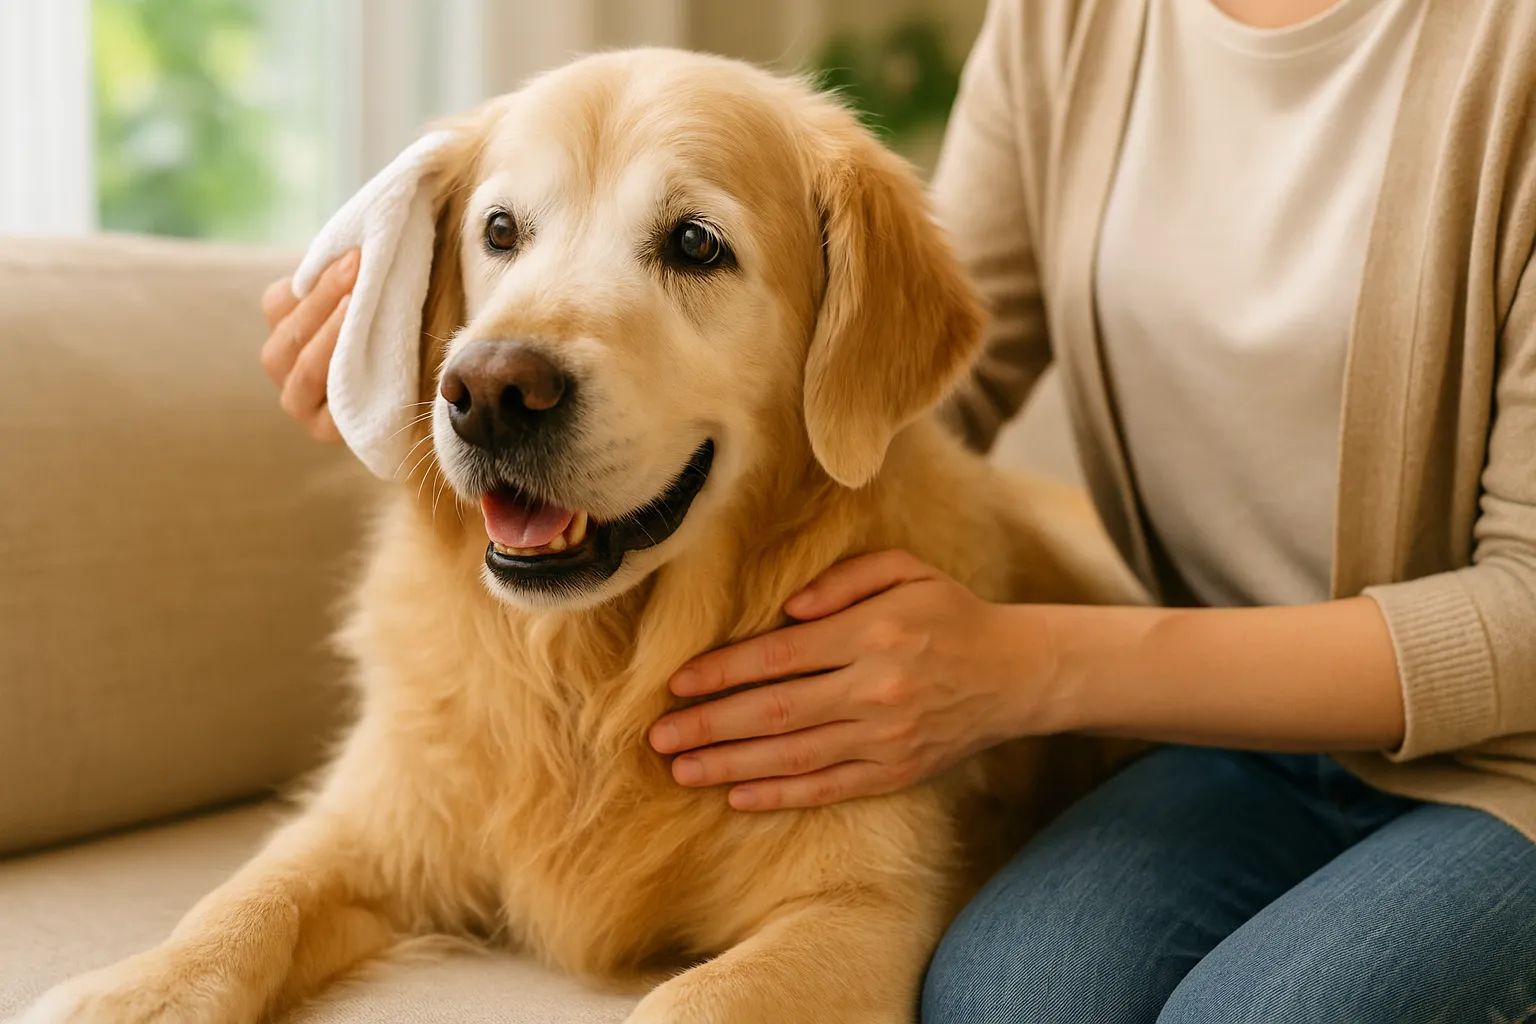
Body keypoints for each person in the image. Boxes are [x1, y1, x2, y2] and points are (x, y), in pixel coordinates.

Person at [259, 0, 1536, 1018]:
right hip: (1224, 734)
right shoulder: (1075, 21)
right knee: (1012, 1000)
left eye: (689, 246)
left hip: (1511, 757)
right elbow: (888, 383)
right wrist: (398, 369)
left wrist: (1027, 664)